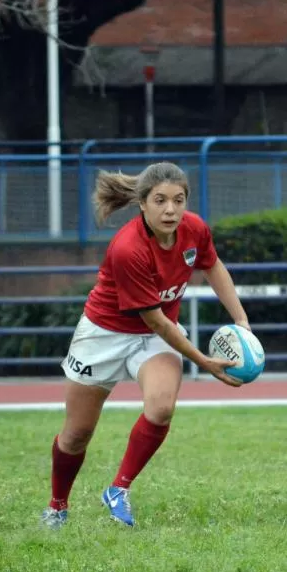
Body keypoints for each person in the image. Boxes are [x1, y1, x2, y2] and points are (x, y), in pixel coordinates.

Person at [40, 162, 249, 529]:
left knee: (161, 407)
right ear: (142, 203)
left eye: (178, 200)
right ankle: (57, 506)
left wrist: (241, 321)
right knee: (76, 435)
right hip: (104, 335)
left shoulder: (194, 229)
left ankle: (119, 489)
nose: (170, 209)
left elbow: (213, 266)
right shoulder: (127, 248)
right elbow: (155, 319)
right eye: (160, 201)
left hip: (155, 337)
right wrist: (203, 360)